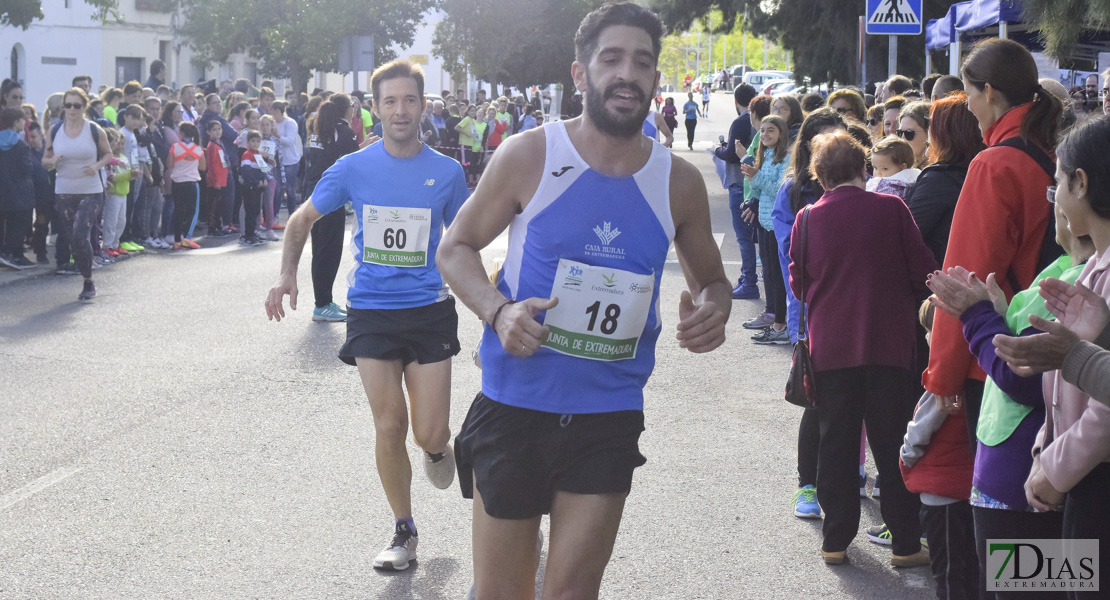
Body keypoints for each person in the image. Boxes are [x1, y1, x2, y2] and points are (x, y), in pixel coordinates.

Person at [436, 5, 730, 597]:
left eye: (642, 63)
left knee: (573, 591)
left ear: (654, 79)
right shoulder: (529, 154)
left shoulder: (677, 182)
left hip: (607, 413)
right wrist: (498, 310)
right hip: (514, 405)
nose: (628, 74)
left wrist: (713, 310)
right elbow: (456, 248)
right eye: (612, 59)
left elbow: (713, 283)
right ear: (580, 73)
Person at [265, 59, 468, 573]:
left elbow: (467, 240)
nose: (400, 110)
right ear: (374, 110)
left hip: (429, 311)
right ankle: (404, 529)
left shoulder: (446, 172)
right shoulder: (353, 167)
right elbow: (301, 218)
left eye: (410, 100)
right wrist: (288, 274)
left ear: (423, 106)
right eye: (390, 101)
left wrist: (494, 301)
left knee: (429, 433)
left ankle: (439, 450)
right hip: (373, 310)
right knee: (388, 424)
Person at [928, 199, 1094, 600]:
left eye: (1058, 186)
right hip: (1014, 481)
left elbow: (1023, 373)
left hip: (1026, 487)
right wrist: (995, 318)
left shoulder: (1086, 283)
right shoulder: (1066, 270)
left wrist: (978, 317)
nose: (1051, 200)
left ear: (1083, 188)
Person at [788, 130, 935, 567]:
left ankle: (835, 541)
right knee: (893, 448)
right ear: (864, 168)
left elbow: (799, 285)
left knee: (836, 445)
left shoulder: (809, 218)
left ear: (820, 175)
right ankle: (906, 544)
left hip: (831, 350)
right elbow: (922, 271)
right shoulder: (892, 208)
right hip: (890, 347)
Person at [923, 37, 1064, 459]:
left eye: (967, 94)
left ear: (988, 92)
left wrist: (941, 378)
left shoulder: (993, 164)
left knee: (992, 508)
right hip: (1054, 342)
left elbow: (963, 279)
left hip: (994, 358)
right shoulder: (1047, 152)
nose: (966, 106)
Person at [769, 107, 847, 518]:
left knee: (850, 401)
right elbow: (789, 253)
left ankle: (845, 473)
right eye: (822, 140)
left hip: (851, 313)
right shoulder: (795, 190)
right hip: (812, 310)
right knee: (815, 401)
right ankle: (807, 485)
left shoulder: (864, 189)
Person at [42, 88, 113, 300]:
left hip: (90, 191)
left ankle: (88, 282)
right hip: (64, 190)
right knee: (74, 239)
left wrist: (97, 165)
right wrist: (52, 161)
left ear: (84, 107)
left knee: (80, 234)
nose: (72, 110)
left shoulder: (94, 130)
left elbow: (109, 154)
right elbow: (44, 160)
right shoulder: (55, 131)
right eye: (68, 105)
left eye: (77, 105)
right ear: (63, 107)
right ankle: (86, 277)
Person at [904, 92, 984, 267]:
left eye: (931, 124)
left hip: (939, 280)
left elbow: (906, 233)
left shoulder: (938, 180)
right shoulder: (979, 170)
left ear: (944, 133)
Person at [303, 93, 360, 322]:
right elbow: (354, 163)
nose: (355, 110)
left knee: (320, 250)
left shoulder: (318, 128)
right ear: (348, 110)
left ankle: (323, 301)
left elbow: (330, 156)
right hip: (330, 196)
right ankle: (322, 304)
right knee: (329, 251)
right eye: (353, 107)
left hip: (313, 192)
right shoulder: (344, 132)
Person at [741, 114, 791, 345]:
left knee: (778, 276)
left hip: (776, 223)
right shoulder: (765, 155)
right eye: (762, 131)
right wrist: (753, 178)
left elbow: (780, 190)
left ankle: (780, 323)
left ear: (781, 133)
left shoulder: (786, 158)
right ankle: (773, 317)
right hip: (764, 221)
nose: (765, 135)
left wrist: (757, 177)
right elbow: (761, 192)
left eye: (771, 130)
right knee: (769, 274)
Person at [715, 83, 759, 299]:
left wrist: (717, 149)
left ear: (736, 101)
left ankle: (749, 281)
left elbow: (732, 153)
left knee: (744, 238)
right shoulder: (763, 121)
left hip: (741, 184)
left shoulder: (742, 121)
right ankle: (746, 277)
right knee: (752, 237)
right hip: (755, 183)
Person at [0, 107, 35, 269]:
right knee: (19, 225)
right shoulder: (20, 145)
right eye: (22, 120)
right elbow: (26, 168)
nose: (25, 122)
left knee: (5, 224)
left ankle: (5, 253)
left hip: (3, 190)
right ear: (16, 122)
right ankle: (17, 255)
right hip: (20, 191)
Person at [164, 122, 206, 251]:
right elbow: (203, 167)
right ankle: (187, 237)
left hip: (177, 182)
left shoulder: (175, 147)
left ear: (181, 133)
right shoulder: (198, 149)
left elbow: (169, 164)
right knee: (193, 211)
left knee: (178, 211)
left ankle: (177, 240)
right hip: (192, 182)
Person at [101, 128, 139, 258]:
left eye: (123, 144)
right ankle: (107, 245)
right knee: (111, 221)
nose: (120, 146)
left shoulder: (124, 158)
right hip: (113, 194)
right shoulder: (110, 159)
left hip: (124, 193)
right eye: (118, 143)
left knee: (121, 221)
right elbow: (113, 178)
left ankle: (116, 244)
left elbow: (127, 175)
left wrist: (134, 175)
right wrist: (129, 175)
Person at [270, 100, 303, 226]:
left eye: (272, 111)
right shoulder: (272, 123)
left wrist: (277, 136)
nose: (270, 113)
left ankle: (291, 215)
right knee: (277, 189)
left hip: (290, 160)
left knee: (290, 188)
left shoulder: (290, 123)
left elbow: (289, 141)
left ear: (277, 111)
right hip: (277, 160)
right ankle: (276, 216)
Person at [237, 130, 267, 246]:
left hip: (258, 187)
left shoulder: (258, 155)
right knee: (250, 212)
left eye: (258, 141)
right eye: (253, 141)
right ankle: (248, 235)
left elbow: (263, 170)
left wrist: (263, 180)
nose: (255, 143)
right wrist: (256, 182)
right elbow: (246, 172)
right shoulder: (247, 155)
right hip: (250, 187)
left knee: (255, 212)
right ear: (248, 142)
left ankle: (253, 233)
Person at [897, 101, 931, 167]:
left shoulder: (937, 171)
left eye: (909, 133)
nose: (902, 139)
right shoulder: (897, 167)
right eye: (900, 133)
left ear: (929, 134)